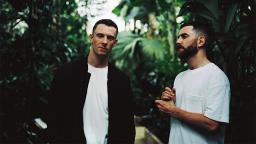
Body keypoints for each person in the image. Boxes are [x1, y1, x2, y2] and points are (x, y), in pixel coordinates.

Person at [46, 19, 135, 144]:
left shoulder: (121, 81)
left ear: (114, 43)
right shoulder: (66, 74)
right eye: (100, 36)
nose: (104, 41)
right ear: (91, 38)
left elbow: (127, 127)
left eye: (110, 38)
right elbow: (53, 115)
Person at [155, 22, 230, 144]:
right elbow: (175, 117)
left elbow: (213, 124)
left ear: (200, 41)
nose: (178, 41)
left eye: (184, 36)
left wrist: (174, 110)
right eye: (178, 37)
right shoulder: (179, 77)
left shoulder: (216, 77)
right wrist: (168, 106)